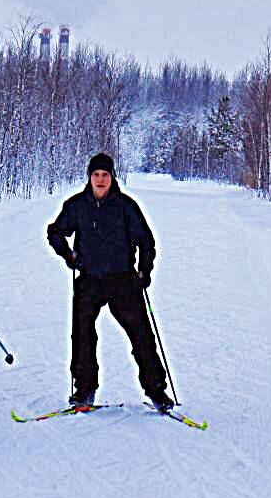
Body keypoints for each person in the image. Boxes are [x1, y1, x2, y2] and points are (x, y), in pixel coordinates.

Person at [46, 152, 175, 411]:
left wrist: (144, 271)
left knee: (141, 335)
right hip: (89, 280)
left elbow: (146, 241)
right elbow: (55, 232)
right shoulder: (77, 205)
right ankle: (84, 390)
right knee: (82, 335)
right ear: (89, 177)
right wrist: (69, 255)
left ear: (112, 176)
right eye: (96, 175)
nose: (101, 179)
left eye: (105, 175)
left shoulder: (126, 206)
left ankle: (157, 391)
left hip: (123, 281)